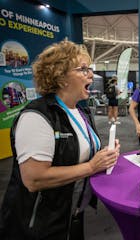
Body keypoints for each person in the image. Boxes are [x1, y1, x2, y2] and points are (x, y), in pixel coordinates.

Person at [0, 40, 120, 240]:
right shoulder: (37, 116)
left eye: (89, 69)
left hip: (71, 215)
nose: (90, 74)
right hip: (37, 225)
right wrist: (91, 167)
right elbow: (34, 178)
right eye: (83, 69)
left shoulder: (82, 112)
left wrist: (103, 154)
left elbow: (78, 152)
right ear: (61, 77)